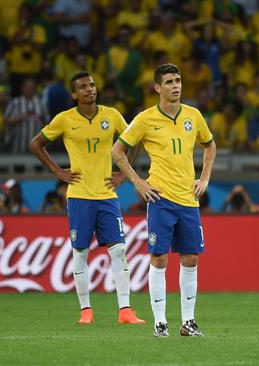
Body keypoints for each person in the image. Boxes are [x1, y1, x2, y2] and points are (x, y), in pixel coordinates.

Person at [28, 71, 145, 325]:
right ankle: (86, 311)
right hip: (79, 195)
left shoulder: (112, 115)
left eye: (92, 85)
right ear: (74, 94)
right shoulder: (64, 119)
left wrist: (125, 172)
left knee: (119, 251)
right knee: (80, 253)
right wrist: (57, 170)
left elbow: (134, 140)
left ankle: (125, 310)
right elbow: (36, 143)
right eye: (83, 87)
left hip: (107, 195)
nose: (90, 89)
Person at [112, 63, 216, 338]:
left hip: (188, 199)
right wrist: (137, 182)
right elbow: (118, 150)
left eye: (178, 80)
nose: (176, 86)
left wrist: (204, 179)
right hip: (160, 198)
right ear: (157, 87)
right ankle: (160, 322)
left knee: (190, 258)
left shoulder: (193, 115)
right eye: (169, 82)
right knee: (159, 259)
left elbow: (210, 145)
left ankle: (188, 322)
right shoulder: (145, 119)